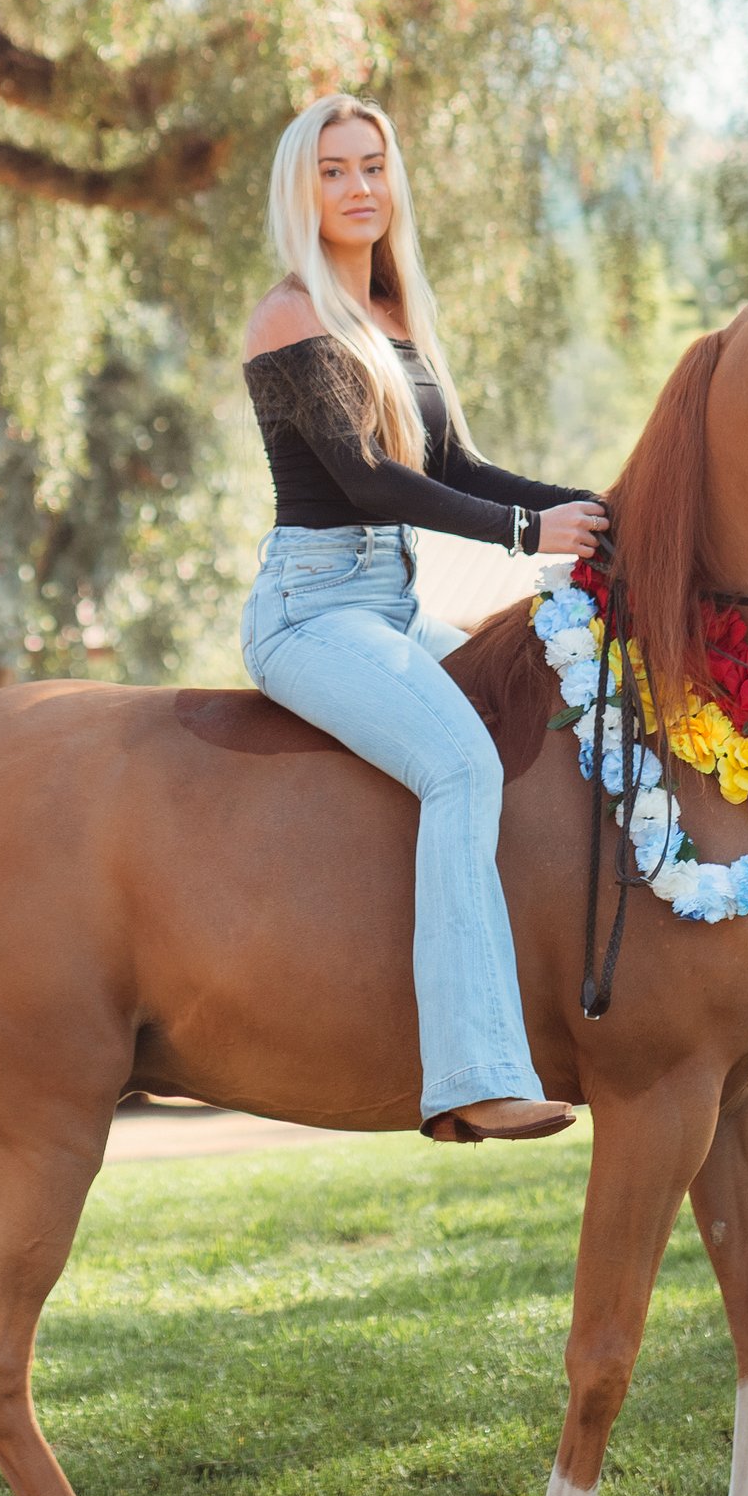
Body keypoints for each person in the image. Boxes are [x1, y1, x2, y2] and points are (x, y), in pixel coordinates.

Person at [240, 94, 609, 1144]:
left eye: (372, 166)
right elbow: (367, 481)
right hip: (311, 613)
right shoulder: (291, 314)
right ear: (301, 194)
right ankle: (468, 1076)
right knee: (461, 767)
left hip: (394, 608)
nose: (359, 187)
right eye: (333, 172)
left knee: (540, 723)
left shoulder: (394, 319)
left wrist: (593, 510)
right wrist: (523, 534)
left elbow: (457, 468)